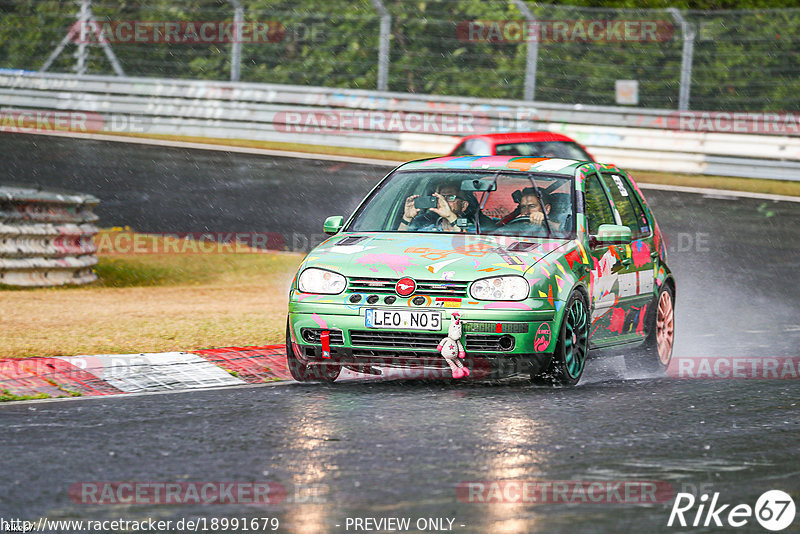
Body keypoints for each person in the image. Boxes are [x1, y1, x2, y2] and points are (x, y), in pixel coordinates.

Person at [398, 183, 473, 233]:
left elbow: (466, 245)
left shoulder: (475, 228)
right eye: (441, 197)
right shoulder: (425, 225)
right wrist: (407, 219)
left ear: (464, 205)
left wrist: (450, 217)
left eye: (450, 197)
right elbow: (399, 242)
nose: (443, 202)